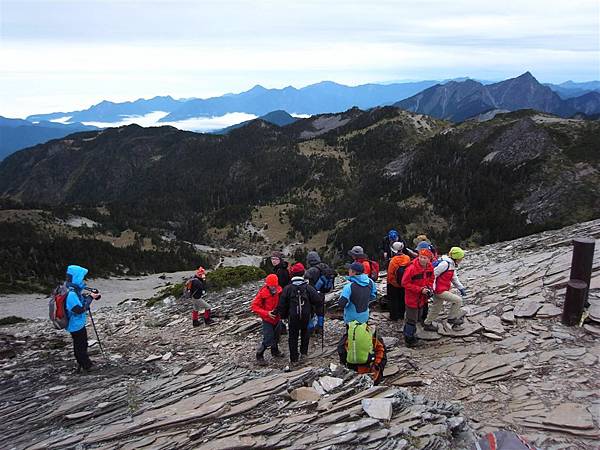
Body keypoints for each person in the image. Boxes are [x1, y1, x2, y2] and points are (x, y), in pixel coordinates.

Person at [276, 263, 324, 364]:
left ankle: (294, 358)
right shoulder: (308, 287)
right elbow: (318, 301)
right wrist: (314, 312)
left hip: (292, 317)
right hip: (306, 316)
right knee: (305, 334)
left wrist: (284, 317)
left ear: (292, 274)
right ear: (303, 274)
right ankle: (304, 354)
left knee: (292, 337)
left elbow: (282, 305)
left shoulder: (288, 288)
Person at [64, 265, 100, 373]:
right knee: (80, 345)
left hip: (76, 323)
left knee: (81, 343)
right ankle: (86, 365)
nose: (83, 280)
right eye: (81, 277)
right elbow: (79, 309)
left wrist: (89, 297)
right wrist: (90, 298)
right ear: (76, 278)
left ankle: (82, 363)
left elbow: (80, 302)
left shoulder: (72, 290)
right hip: (75, 324)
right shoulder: (71, 294)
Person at [424, 247, 467, 331]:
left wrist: (461, 288)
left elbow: (454, 278)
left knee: (436, 307)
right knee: (458, 300)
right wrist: (432, 289)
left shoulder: (452, 264)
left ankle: (427, 323)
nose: (461, 260)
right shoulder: (445, 264)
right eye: (461, 258)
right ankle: (451, 318)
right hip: (439, 290)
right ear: (456, 258)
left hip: (441, 289)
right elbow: (433, 275)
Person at [401, 249, 434, 346]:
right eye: (421, 257)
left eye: (425, 258)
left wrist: (429, 287)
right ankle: (409, 340)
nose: (422, 260)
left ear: (429, 259)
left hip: (422, 298)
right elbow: (404, 283)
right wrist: (420, 289)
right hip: (412, 298)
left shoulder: (430, 267)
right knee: (412, 319)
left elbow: (431, 278)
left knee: (417, 316)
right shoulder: (411, 268)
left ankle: (409, 333)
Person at [251, 274, 285, 365]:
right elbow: (254, 306)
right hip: (267, 319)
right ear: (267, 284)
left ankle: (275, 352)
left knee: (277, 336)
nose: (273, 287)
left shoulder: (280, 290)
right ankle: (259, 355)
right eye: (271, 286)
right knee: (268, 338)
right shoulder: (262, 293)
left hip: (277, 318)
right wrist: (267, 313)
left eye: (275, 285)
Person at [386, 242, 411, 321]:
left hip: (394, 285)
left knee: (393, 300)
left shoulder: (393, 261)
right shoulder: (407, 258)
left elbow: (390, 275)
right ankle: (401, 315)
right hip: (404, 283)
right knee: (402, 299)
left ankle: (393, 316)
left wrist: (394, 283)